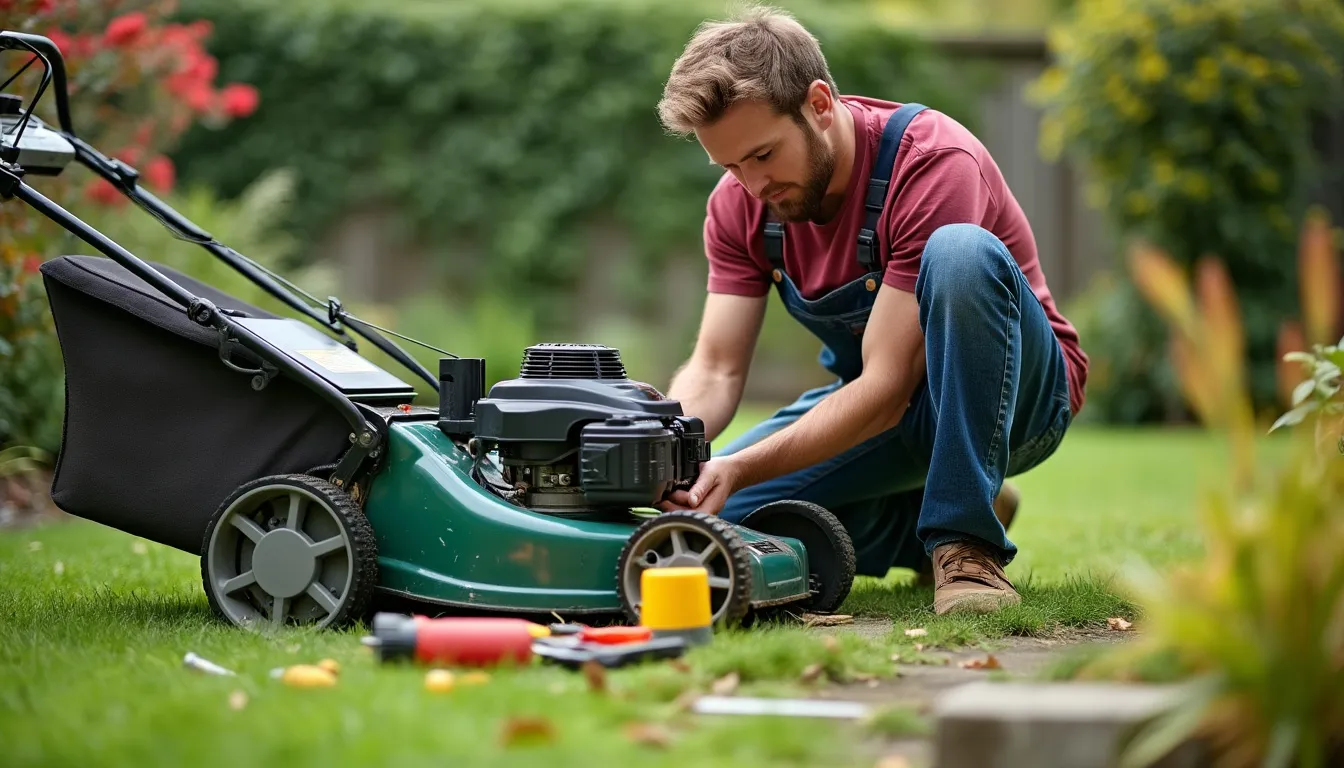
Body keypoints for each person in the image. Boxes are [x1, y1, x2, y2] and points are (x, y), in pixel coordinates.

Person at [654, 5, 1089, 615]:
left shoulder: (932, 162)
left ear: (820, 104)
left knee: (960, 253)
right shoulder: (740, 205)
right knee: (720, 521)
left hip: (1020, 398)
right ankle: (917, 519)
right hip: (887, 405)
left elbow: (885, 388)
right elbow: (718, 367)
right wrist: (671, 448)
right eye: (728, 165)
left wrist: (741, 464)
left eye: (762, 155)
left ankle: (966, 542)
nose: (752, 186)